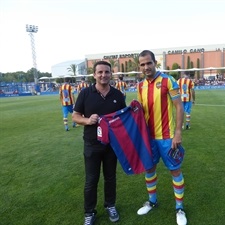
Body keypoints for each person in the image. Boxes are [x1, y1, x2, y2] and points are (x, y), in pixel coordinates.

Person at [136, 50, 187, 225]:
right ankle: (152, 201)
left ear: (154, 63)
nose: (146, 67)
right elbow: (141, 112)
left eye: (148, 63)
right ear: (140, 66)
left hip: (167, 137)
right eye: (142, 64)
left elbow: (179, 107)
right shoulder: (140, 86)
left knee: (175, 171)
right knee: (149, 170)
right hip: (148, 138)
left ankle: (179, 208)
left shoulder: (168, 80)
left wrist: (178, 133)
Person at [72, 61, 126, 225]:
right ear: (94, 75)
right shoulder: (85, 94)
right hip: (92, 144)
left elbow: (123, 117)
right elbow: (75, 116)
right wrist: (88, 120)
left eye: (107, 72)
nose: (103, 75)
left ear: (111, 74)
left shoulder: (117, 95)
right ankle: (89, 212)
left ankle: (110, 205)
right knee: (91, 180)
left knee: (110, 178)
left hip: (111, 145)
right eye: (100, 72)